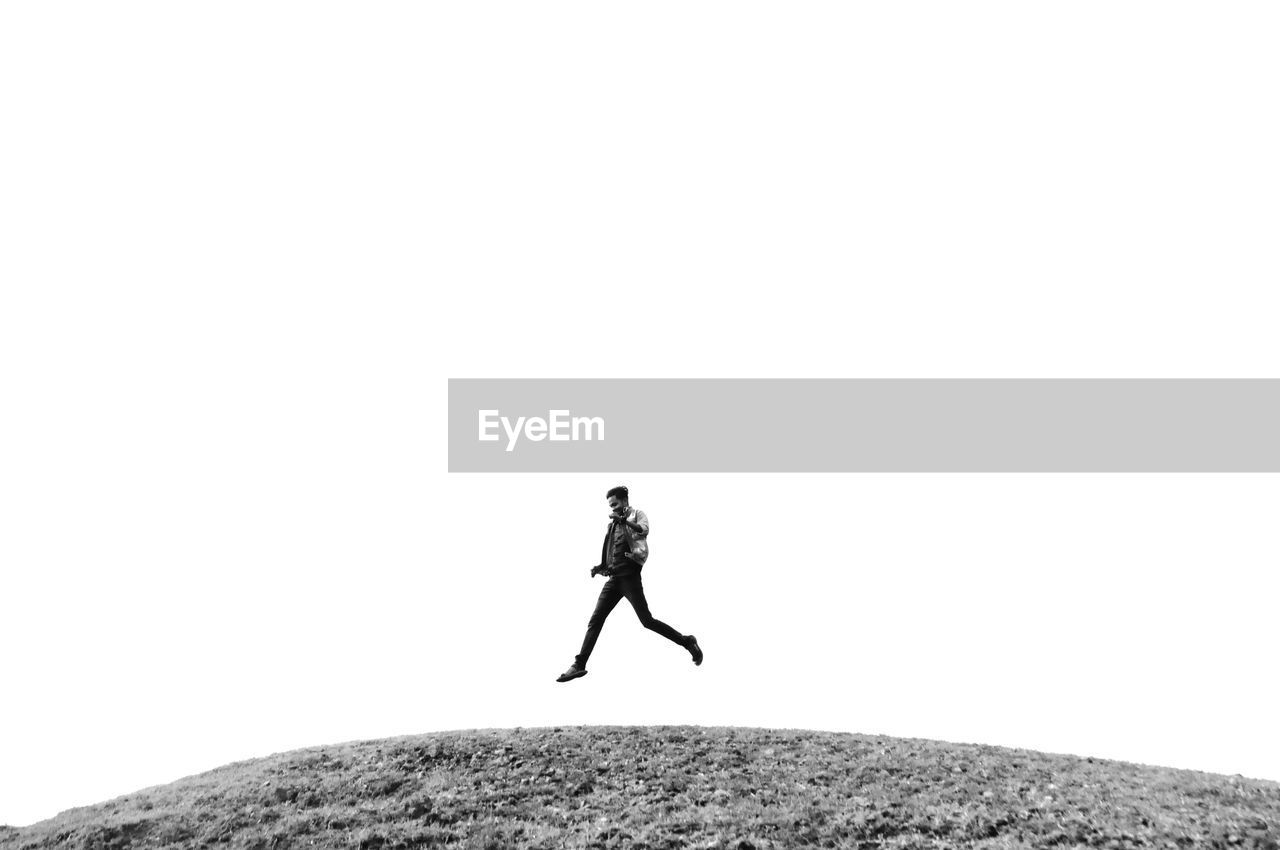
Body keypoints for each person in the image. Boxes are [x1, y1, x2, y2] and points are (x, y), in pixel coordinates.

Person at [557, 486, 702, 683]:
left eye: (615, 504)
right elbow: (609, 547)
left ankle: (687, 641)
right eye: (610, 505)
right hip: (614, 579)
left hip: (630, 576)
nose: (613, 508)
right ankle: (579, 665)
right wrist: (601, 566)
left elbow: (644, 530)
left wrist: (624, 521)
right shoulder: (612, 525)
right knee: (595, 620)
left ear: (625, 501)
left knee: (647, 621)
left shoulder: (636, 515)